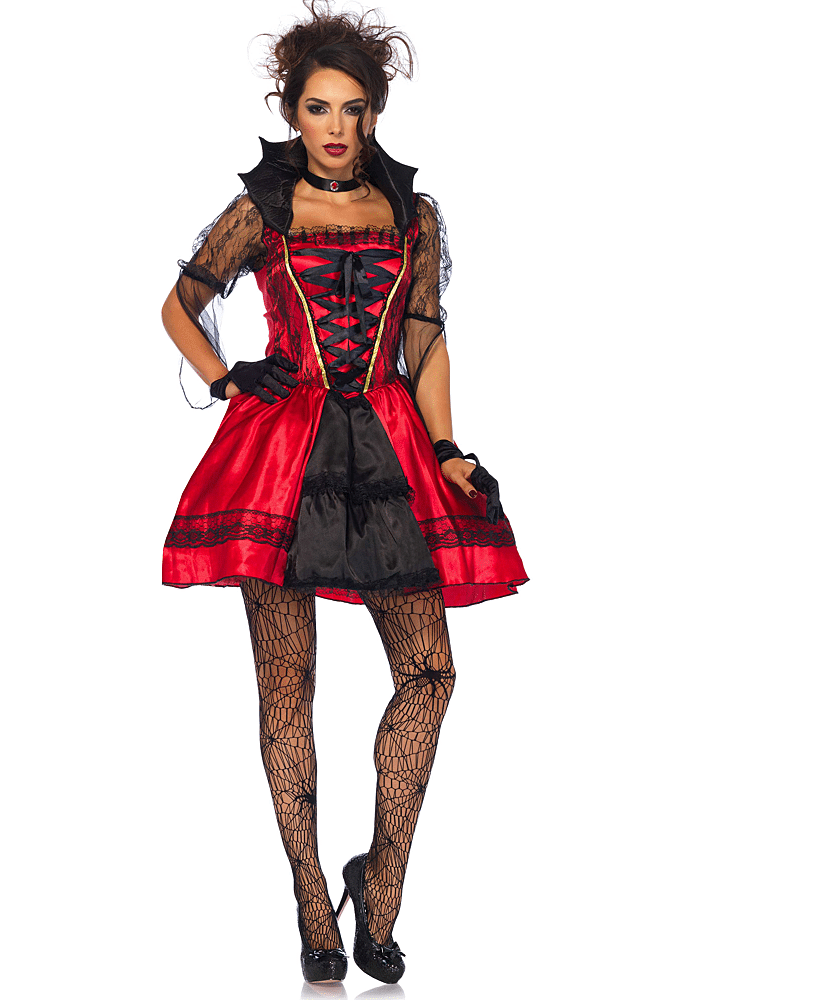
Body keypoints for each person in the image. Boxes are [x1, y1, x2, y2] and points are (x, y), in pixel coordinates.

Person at [160, 1, 528, 984]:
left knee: (430, 673)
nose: (334, 126)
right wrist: (227, 378)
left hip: (392, 447)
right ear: (292, 111)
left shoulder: (413, 214)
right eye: (317, 108)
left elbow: (424, 336)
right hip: (283, 451)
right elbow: (180, 304)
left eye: (352, 109)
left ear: (374, 113)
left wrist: (448, 448)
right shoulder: (262, 209)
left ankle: (381, 882)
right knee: (287, 685)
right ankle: (312, 904)